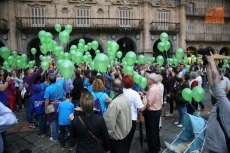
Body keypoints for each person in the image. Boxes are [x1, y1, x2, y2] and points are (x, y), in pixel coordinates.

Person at [205, 52, 230, 153]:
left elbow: (217, 88)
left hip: (218, 147)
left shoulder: (226, 106)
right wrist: (208, 66)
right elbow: (213, 86)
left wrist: (212, 63)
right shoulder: (224, 104)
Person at [103, 78, 132, 153]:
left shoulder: (114, 104)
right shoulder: (125, 98)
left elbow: (109, 124)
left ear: (112, 88)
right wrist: (111, 102)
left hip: (117, 138)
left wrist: (106, 137)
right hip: (125, 133)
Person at [122, 75, 146, 153]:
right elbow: (141, 108)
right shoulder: (134, 94)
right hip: (131, 119)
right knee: (128, 141)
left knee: (121, 140)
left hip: (121, 118)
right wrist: (145, 103)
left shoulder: (120, 92)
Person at [143, 73, 162, 153]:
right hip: (156, 111)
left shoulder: (152, 89)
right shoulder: (156, 87)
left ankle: (153, 150)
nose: (147, 80)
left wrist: (144, 99)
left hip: (152, 113)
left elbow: (148, 103)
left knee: (151, 132)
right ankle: (156, 146)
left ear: (151, 80)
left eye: (148, 79)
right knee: (155, 131)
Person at [44, 74, 64, 142]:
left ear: (49, 80)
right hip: (60, 104)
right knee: (59, 119)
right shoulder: (60, 85)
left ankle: (54, 137)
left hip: (52, 105)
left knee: (53, 121)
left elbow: (47, 100)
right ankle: (62, 133)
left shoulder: (48, 89)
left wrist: (46, 108)